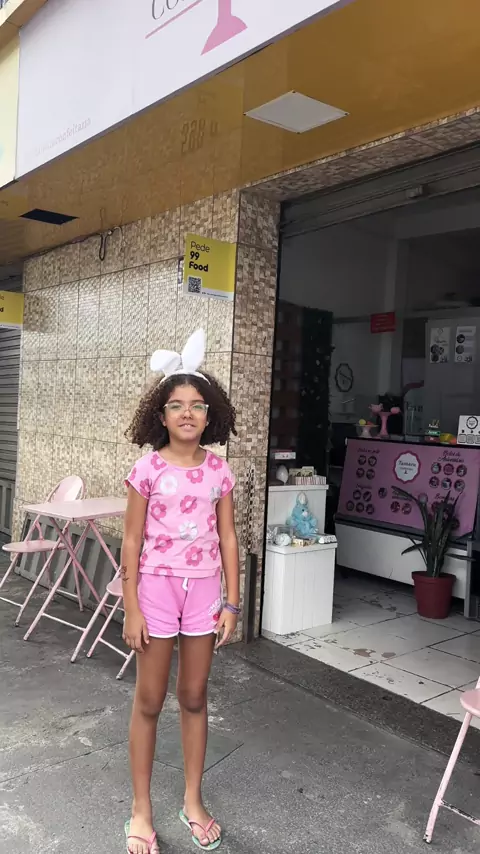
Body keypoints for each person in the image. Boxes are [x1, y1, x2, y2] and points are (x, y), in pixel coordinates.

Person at [121, 330, 240, 854]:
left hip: (205, 592)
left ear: (210, 416)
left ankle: (192, 799)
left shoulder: (219, 470)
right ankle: (141, 809)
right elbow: (130, 541)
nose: (187, 413)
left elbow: (229, 537)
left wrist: (232, 602)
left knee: (193, 696)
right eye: (176, 405)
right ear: (161, 416)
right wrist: (131, 607)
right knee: (149, 700)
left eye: (197, 405)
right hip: (154, 590)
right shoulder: (146, 469)